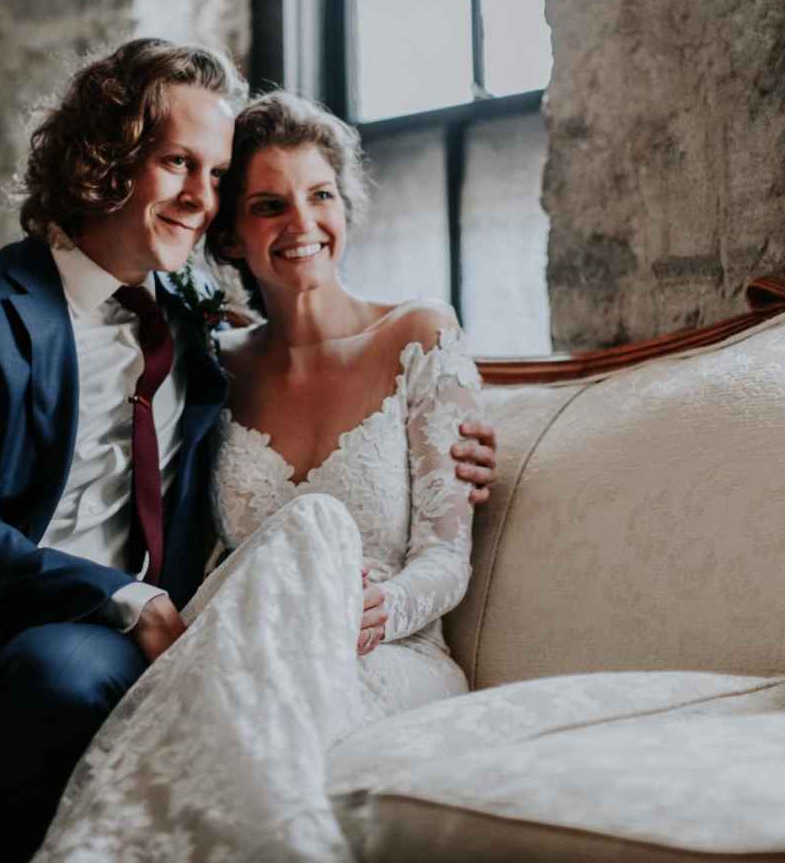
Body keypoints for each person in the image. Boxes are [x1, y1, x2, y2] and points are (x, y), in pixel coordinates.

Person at [0, 42, 498, 863]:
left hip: (81, 634)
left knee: (53, 685)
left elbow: (353, 404)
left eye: (216, 175)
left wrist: (472, 436)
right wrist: (115, 592)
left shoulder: (199, 330)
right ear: (105, 158)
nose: (200, 197)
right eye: (178, 163)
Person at [34, 91, 486, 860]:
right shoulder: (215, 365)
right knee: (294, 550)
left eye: (321, 195)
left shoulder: (419, 332)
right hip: (246, 645)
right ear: (231, 235)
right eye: (270, 205)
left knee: (318, 524)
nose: (302, 223)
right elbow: (93, 471)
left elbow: (448, 557)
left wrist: (376, 609)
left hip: (386, 652)